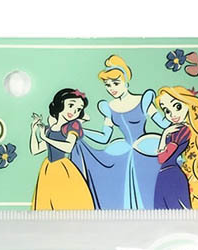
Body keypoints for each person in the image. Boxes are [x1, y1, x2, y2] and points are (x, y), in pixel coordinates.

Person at [72, 55, 169, 209]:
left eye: (116, 83)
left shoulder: (143, 100)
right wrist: (81, 130)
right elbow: (105, 138)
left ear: (125, 81)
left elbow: (163, 123)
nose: (112, 88)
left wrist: (179, 121)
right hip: (122, 151)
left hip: (146, 147)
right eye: (108, 85)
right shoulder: (109, 107)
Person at [155, 86, 198, 209]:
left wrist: (165, 134)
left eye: (177, 106)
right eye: (167, 111)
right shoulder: (176, 130)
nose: (172, 114)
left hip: (171, 176)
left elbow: (162, 158)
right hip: (167, 175)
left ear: (188, 104)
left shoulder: (183, 131)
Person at [30, 88, 95, 210]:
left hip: (63, 169)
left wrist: (45, 138)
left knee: (65, 204)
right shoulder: (51, 128)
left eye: (78, 109)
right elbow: (36, 150)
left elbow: (68, 147)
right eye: (71, 105)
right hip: (47, 169)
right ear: (60, 104)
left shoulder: (72, 126)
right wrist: (33, 131)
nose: (74, 111)